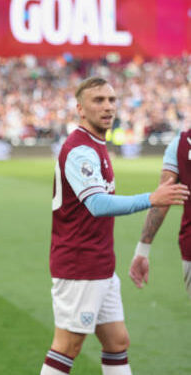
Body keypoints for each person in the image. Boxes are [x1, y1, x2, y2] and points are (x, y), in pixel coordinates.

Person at [42, 76, 189, 375]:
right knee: (67, 346)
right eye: (98, 101)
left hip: (99, 264)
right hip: (79, 264)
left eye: (111, 100)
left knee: (117, 342)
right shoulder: (80, 150)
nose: (108, 107)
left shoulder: (95, 145)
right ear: (80, 109)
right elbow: (97, 205)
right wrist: (152, 197)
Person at [129, 132, 191, 299]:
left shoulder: (180, 144)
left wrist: (142, 249)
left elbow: (162, 198)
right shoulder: (179, 144)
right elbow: (162, 198)